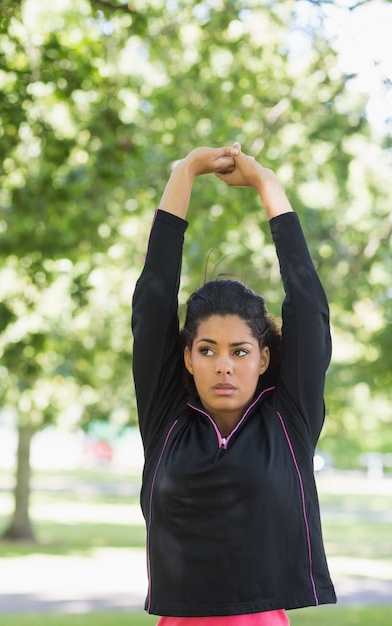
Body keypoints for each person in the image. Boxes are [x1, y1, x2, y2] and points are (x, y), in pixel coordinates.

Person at [131, 142, 336, 625]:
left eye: (239, 351)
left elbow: (308, 308)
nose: (223, 365)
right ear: (187, 357)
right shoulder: (167, 424)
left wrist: (268, 186)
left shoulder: (290, 422)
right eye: (207, 350)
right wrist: (185, 172)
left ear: (263, 358)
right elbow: (152, 303)